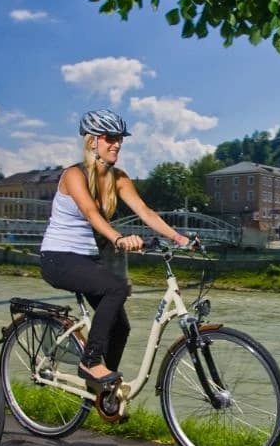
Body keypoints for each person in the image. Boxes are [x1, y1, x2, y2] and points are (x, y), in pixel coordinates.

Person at [39, 108, 191, 390]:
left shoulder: (118, 178)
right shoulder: (74, 175)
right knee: (117, 288)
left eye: (120, 138)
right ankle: (90, 361)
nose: (117, 144)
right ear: (91, 142)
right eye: (110, 138)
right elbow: (89, 212)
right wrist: (119, 238)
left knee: (120, 327)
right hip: (57, 258)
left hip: (86, 260)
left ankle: (103, 392)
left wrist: (181, 239)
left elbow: (145, 212)